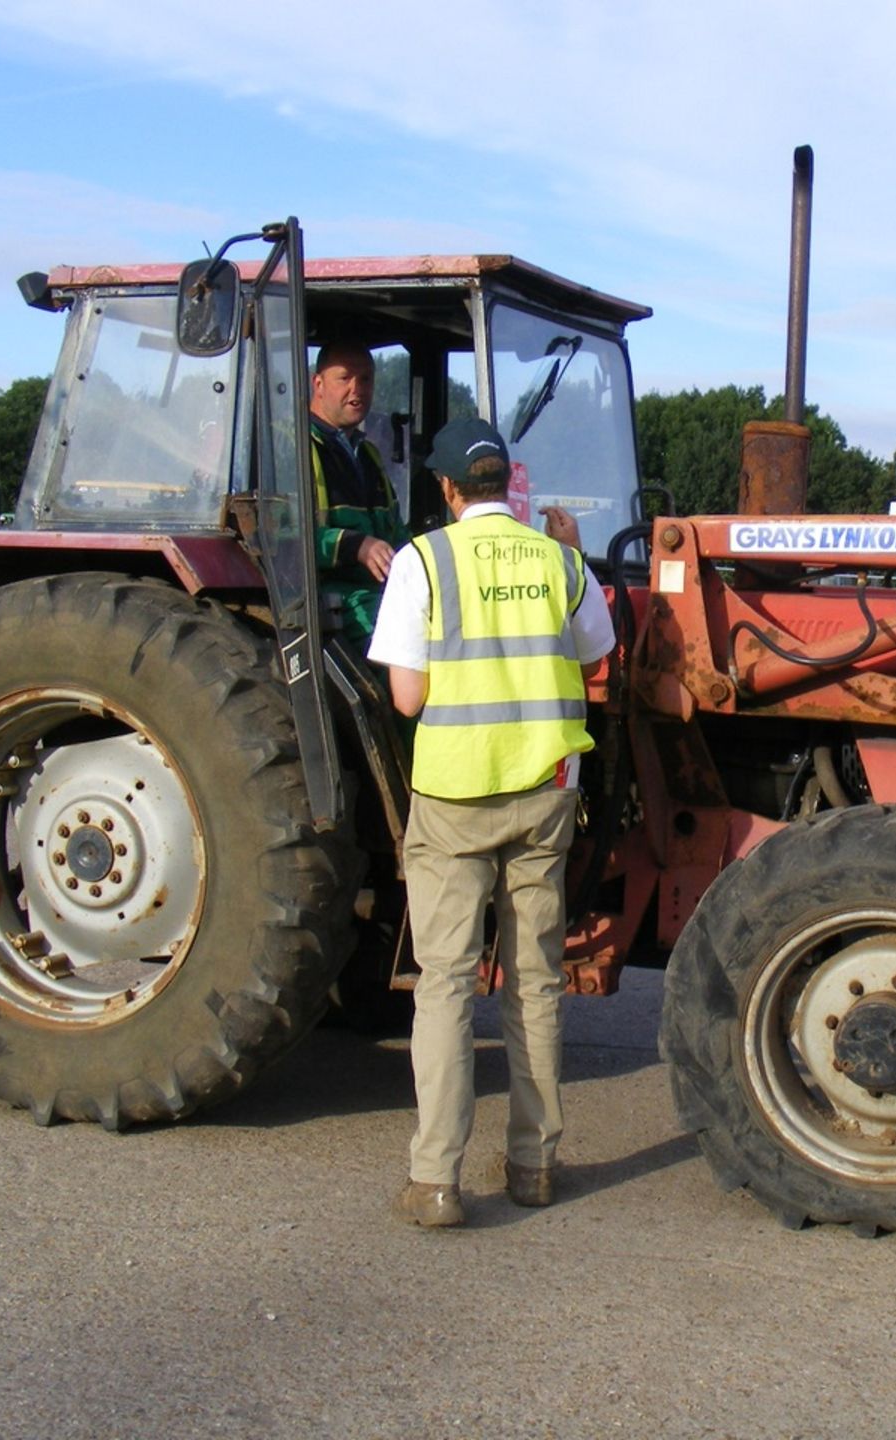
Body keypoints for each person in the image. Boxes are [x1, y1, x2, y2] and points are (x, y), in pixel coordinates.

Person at [366, 417, 615, 1228]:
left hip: (454, 798)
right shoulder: (559, 561)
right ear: (507, 482)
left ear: (444, 489)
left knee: (445, 982)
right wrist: (572, 553)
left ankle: (436, 1181)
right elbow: (595, 652)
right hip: (543, 791)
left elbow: (407, 698)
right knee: (535, 979)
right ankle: (535, 1165)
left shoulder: (422, 561)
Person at [310, 341, 409, 648]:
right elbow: (281, 539)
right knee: (405, 642)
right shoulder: (293, 447)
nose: (358, 389)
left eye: (365, 379)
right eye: (345, 378)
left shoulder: (368, 455)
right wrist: (356, 546)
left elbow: (396, 533)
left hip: (377, 591)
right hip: (326, 593)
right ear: (318, 383)